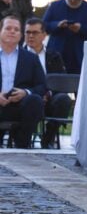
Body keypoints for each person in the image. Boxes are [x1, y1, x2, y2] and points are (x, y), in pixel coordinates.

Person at [23, 18, 73, 148]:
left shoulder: (54, 55)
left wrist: (49, 93)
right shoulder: (19, 55)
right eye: (27, 32)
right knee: (33, 100)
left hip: (50, 99)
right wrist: (37, 94)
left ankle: (48, 139)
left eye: (35, 32)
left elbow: (61, 81)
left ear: (44, 35)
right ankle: (24, 140)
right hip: (28, 98)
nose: (31, 36)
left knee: (64, 99)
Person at [0, 16, 46, 148]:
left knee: (35, 100)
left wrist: (26, 92)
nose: (12, 31)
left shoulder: (30, 58)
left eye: (16, 29)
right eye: (8, 28)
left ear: (20, 35)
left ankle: (22, 145)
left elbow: (42, 86)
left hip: (19, 105)